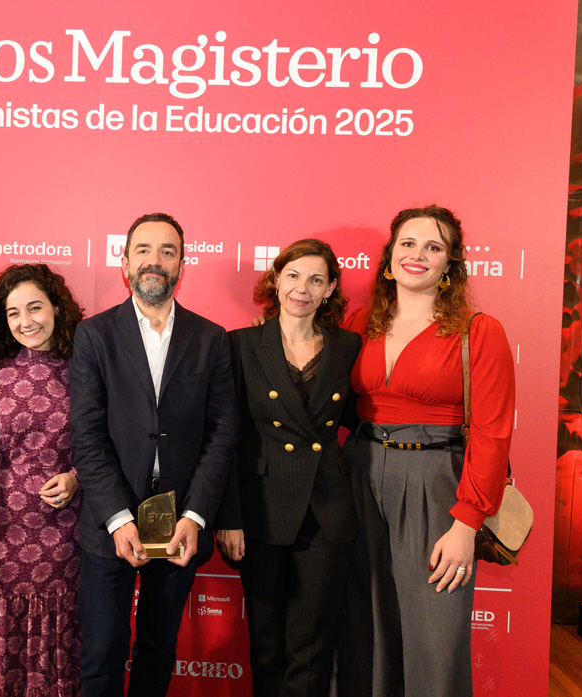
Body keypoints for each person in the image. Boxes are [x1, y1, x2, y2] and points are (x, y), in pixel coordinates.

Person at [338, 206, 515, 697]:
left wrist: (467, 524)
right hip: (360, 476)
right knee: (364, 624)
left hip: (438, 485)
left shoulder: (479, 331)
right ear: (390, 257)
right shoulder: (360, 323)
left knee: (435, 634)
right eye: (408, 243)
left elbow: (493, 434)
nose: (418, 255)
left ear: (450, 263)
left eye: (433, 247)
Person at [69, 212, 239, 697]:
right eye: (143, 250)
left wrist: (196, 515)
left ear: (182, 265)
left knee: (159, 649)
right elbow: (87, 435)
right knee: (101, 655)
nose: (154, 261)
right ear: (124, 263)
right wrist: (118, 518)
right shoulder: (94, 335)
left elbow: (222, 432)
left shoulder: (211, 338)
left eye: (168, 251)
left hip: (181, 522)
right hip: (111, 522)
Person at [215, 239, 362, 697]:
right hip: (262, 510)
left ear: (330, 288)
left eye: (317, 279)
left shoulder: (348, 346)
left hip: (326, 511)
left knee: (312, 649)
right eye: (294, 275)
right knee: (267, 645)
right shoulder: (240, 345)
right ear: (277, 280)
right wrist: (229, 518)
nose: (303, 288)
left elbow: (364, 419)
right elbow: (227, 438)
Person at [0, 263, 85, 697]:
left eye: (35, 307)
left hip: (64, 537)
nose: (26, 321)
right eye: (13, 312)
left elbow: (107, 441)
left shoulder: (85, 369)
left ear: (57, 308)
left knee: (56, 640)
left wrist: (77, 478)